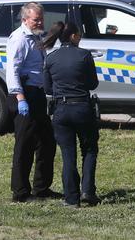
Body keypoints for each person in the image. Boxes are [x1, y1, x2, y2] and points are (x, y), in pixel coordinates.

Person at [43, 21, 101, 207]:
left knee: (68, 155)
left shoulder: (51, 57)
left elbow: (48, 88)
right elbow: (93, 84)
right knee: (89, 150)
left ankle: (71, 198)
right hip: (82, 108)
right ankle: (88, 191)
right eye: (80, 34)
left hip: (60, 110)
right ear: (74, 36)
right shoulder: (84, 55)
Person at [6, 2, 57, 202]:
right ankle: (20, 192)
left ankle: (41, 188)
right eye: (36, 19)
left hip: (37, 94)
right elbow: (13, 71)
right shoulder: (19, 39)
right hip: (24, 95)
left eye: (41, 18)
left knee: (46, 141)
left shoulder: (35, 36)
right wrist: (20, 98)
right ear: (25, 19)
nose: (40, 22)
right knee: (24, 145)